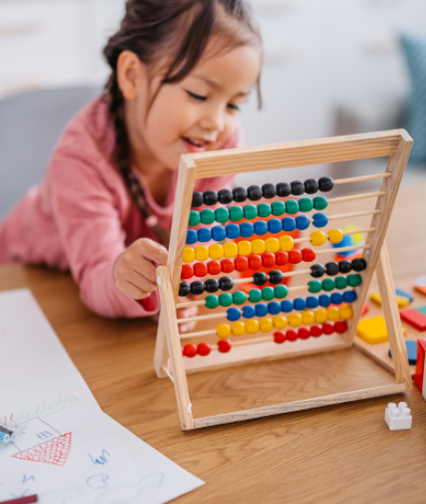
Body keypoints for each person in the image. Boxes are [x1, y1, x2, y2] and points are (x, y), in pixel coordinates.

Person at [0, 0, 262, 329]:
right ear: (132, 75)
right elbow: (97, 277)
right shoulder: (80, 159)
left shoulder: (219, 143)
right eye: (198, 94)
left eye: (234, 104)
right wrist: (135, 285)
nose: (217, 123)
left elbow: (199, 240)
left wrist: (184, 286)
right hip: (20, 278)